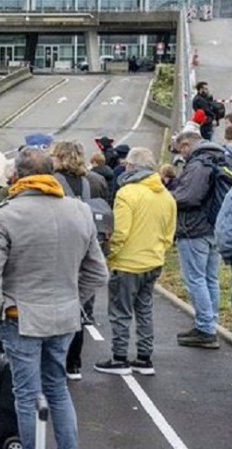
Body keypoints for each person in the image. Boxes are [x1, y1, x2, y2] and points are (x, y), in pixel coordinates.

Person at [0, 148, 108, 449]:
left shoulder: (3, 216)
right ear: (52, 174)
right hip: (64, 316)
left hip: (19, 316)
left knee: (26, 394)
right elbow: (98, 272)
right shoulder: (80, 211)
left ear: (17, 176)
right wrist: (74, 300)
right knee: (57, 388)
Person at [94, 147, 177, 376]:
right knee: (145, 310)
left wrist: (110, 254)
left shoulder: (127, 193)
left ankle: (119, 357)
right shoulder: (166, 196)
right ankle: (144, 357)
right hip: (153, 260)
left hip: (128, 262)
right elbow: (169, 233)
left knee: (120, 312)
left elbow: (120, 232)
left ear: (131, 166)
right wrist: (158, 249)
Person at [50, 139, 110, 380]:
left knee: (59, 301)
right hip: (88, 239)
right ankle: (75, 362)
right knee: (78, 307)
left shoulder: (53, 181)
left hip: (62, 241)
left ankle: (59, 359)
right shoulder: (93, 181)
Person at [170, 128, 224, 349]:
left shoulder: (198, 163)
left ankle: (205, 328)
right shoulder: (218, 158)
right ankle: (210, 322)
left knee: (196, 279)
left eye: (181, 151)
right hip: (214, 227)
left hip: (194, 229)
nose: (181, 156)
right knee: (211, 279)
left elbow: (189, 197)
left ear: (186, 146)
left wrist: (167, 197)